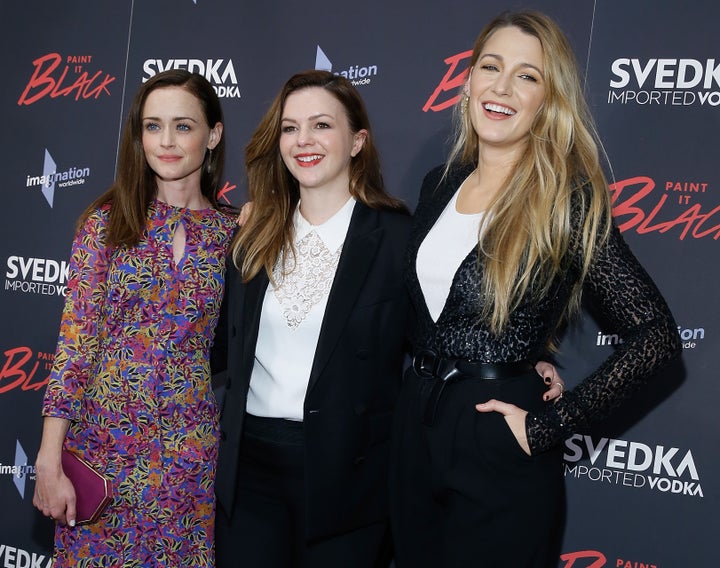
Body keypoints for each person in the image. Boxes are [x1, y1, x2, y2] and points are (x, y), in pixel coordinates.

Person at [211, 69, 564, 568]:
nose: (303, 141)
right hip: (249, 478)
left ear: (357, 141)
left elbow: (450, 324)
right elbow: (218, 346)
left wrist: (532, 361)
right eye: (290, 128)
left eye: (321, 126)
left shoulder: (400, 238)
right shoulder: (251, 233)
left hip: (349, 481)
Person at [389, 10, 682, 568]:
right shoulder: (440, 182)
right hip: (415, 425)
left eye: (527, 75)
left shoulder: (565, 200)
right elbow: (430, 309)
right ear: (469, 79)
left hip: (496, 437)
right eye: (490, 66)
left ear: (549, 99)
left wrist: (552, 424)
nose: (501, 87)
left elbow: (656, 336)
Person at [33, 69, 237, 566]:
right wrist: (47, 457)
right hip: (104, 448)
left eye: (183, 127)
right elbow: (75, 346)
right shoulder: (106, 223)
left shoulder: (234, 233)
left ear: (213, 135)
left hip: (189, 454)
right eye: (153, 126)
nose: (166, 141)